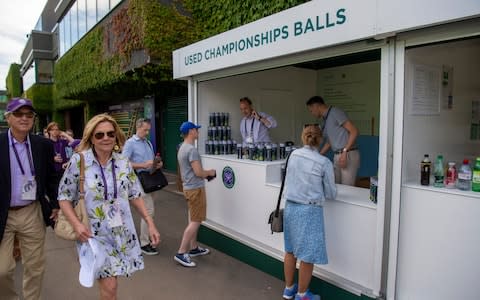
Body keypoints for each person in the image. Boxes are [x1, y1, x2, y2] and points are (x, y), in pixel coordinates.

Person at [57, 114, 160, 299]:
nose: (106, 138)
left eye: (110, 134)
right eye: (100, 135)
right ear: (91, 138)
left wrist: (150, 223)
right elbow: (63, 197)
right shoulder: (79, 162)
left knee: (112, 286)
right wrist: (77, 225)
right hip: (93, 234)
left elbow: (135, 194)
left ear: (116, 136)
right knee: (110, 286)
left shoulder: (123, 163)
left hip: (121, 232)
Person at [0, 98, 59, 300]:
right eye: (18, 114)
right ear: (8, 118)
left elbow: (52, 177)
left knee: (34, 268)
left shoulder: (43, 145)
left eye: (29, 114)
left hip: (31, 211)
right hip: (3, 214)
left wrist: (55, 204)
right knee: (3, 271)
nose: (24, 118)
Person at [282, 125, 337, 300]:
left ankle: (289, 289)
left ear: (303, 137)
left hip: (290, 207)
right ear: (319, 140)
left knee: (290, 251)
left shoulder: (292, 155)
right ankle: (302, 294)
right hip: (309, 211)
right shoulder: (323, 162)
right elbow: (331, 193)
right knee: (307, 255)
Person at [175, 121, 216, 267]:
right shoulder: (191, 150)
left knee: (193, 218)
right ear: (191, 131)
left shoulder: (182, 148)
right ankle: (181, 252)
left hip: (189, 188)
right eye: (196, 129)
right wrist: (210, 172)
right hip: (195, 189)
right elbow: (199, 172)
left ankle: (193, 249)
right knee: (196, 221)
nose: (198, 132)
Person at [122, 118, 162, 255]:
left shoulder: (148, 142)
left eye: (148, 130)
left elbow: (150, 161)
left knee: (149, 210)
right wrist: (143, 165)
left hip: (150, 179)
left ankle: (148, 238)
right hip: (139, 180)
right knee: (149, 211)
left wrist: (157, 164)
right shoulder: (130, 143)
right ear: (138, 128)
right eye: (145, 130)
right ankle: (145, 243)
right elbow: (124, 163)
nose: (147, 132)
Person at [306, 96, 360, 186]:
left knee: (347, 188)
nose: (312, 113)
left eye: (311, 110)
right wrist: (318, 155)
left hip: (348, 154)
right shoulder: (325, 119)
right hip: (337, 155)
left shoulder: (335, 112)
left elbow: (354, 131)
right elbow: (330, 142)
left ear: (316, 106)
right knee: (336, 187)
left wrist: (344, 152)